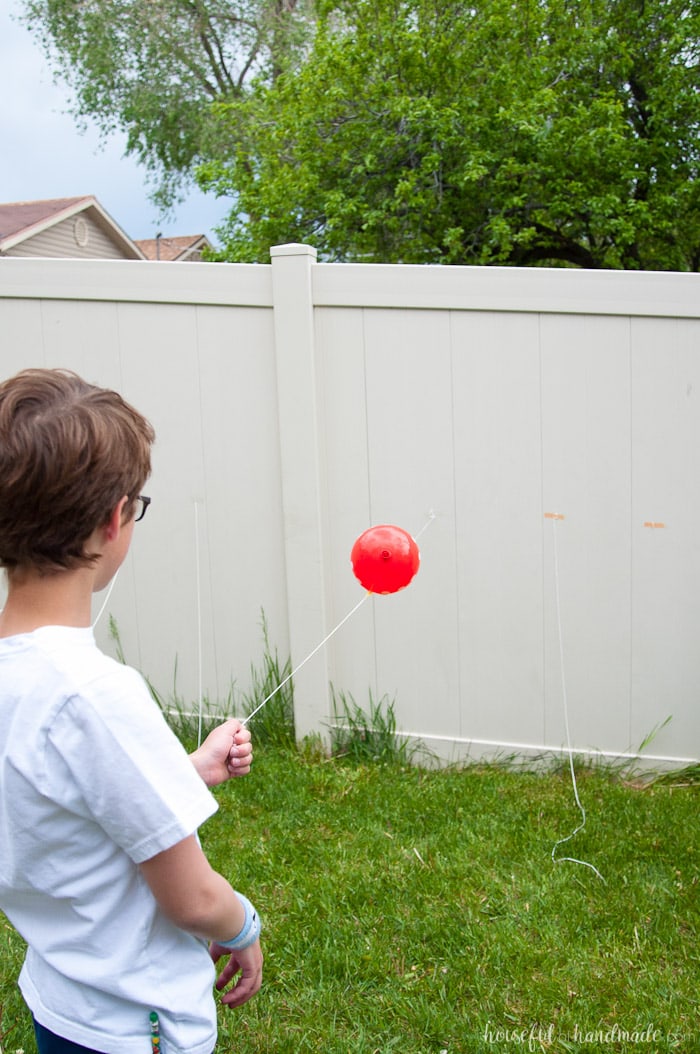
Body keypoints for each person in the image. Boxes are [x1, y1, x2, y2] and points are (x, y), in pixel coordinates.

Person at [0, 368, 263, 1054]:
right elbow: (193, 900)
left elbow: (55, 797)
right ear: (115, 518)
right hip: (134, 1026)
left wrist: (184, 771)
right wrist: (243, 926)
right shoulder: (95, 694)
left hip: (59, 1004)